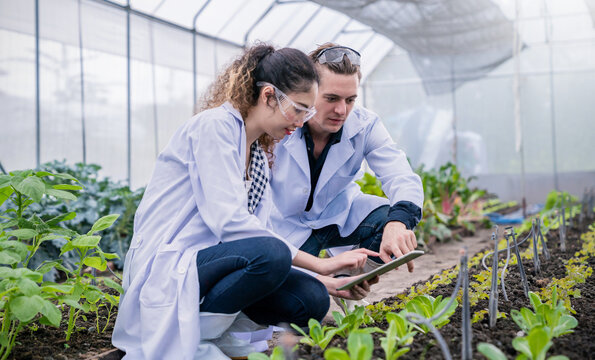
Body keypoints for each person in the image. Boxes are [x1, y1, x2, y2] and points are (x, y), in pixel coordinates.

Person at [111, 43, 379, 360]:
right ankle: (200, 336)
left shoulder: (257, 153)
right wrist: (320, 262)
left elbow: (260, 230)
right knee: (272, 254)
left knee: (311, 299)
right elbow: (230, 223)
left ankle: (212, 329)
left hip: (212, 265)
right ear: (268, 96)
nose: (303, 120)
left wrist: (325, 280)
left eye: (308, 111)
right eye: (299, 108)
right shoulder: (213, 127)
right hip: (170, 263)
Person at [269, 43, 424, 308]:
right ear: (309, 91)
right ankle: (322, 285)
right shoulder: (280, 125)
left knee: (392, 217)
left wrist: (398, 224)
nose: (342, 110)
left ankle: (348, 280)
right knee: (304, 305)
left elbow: (400, 175)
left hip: (337, 217)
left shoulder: (365, 124)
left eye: (350, 100)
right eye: (331, 98)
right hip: (285, 231)